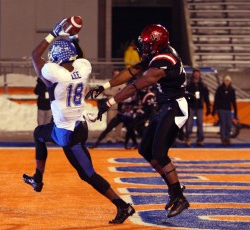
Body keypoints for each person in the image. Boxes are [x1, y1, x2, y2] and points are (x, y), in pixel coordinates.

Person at [22, 18, 135, 224]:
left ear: (56, 57)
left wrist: (53, 33)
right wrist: (73, 37)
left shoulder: (54, 75)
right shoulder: (82, 68)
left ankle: (122, 206)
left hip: (65, 133)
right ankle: (37, 179)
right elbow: (79, 56)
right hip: (80, 125)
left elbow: (34, 56)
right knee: (41, 134)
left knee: (87, 173)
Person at [86, 24, 190, 218]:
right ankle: (174, 186)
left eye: (147, 45)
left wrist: (109, 102)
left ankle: (178, 195)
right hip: (166, 105)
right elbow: (132, 71)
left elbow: (137, 85)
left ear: (157, 44)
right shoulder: (159, 54)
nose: (143, 48)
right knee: (145, 150)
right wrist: (105, 85)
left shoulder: (165, 60)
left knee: (159, 153)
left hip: (176, 106)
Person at [184, 68, 211, 147]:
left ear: (199, 74)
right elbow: (185, 95)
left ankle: (200, 139)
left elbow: (206, 96)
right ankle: (187, 138)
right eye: (195, 73)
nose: (196, 75)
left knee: (200, 124)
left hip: (199, 107)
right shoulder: (189, 85)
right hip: (190, 106)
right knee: (189, 124)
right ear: (193, 74)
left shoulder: (202, 85)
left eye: (197, 73)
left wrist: (208, 106)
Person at [212, 75, 238, 146]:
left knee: (229, 125)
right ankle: (223, 139)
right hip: (221, 109)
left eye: (228, 81)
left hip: (228, 110)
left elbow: (233, 101)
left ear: (230, 82)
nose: (227, 82)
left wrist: (235, 112)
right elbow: (216, 100)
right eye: (226, 80)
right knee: (223, 124)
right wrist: (214, 110)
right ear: (223, 81)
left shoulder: (232, 90)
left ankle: (228, 138)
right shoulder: (219, 89)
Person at [102, 69, 125, 144]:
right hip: (111, 106)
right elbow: (105, 91)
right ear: (113, 75)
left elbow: (125, 93)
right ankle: (109, 138)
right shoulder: (109, 83)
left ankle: (118, 137)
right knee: (110, 122)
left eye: (118, 74)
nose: (117, 76)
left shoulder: (123, 83)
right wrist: (115, 93)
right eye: (115, 74)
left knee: (120, 123)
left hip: (120, 106)